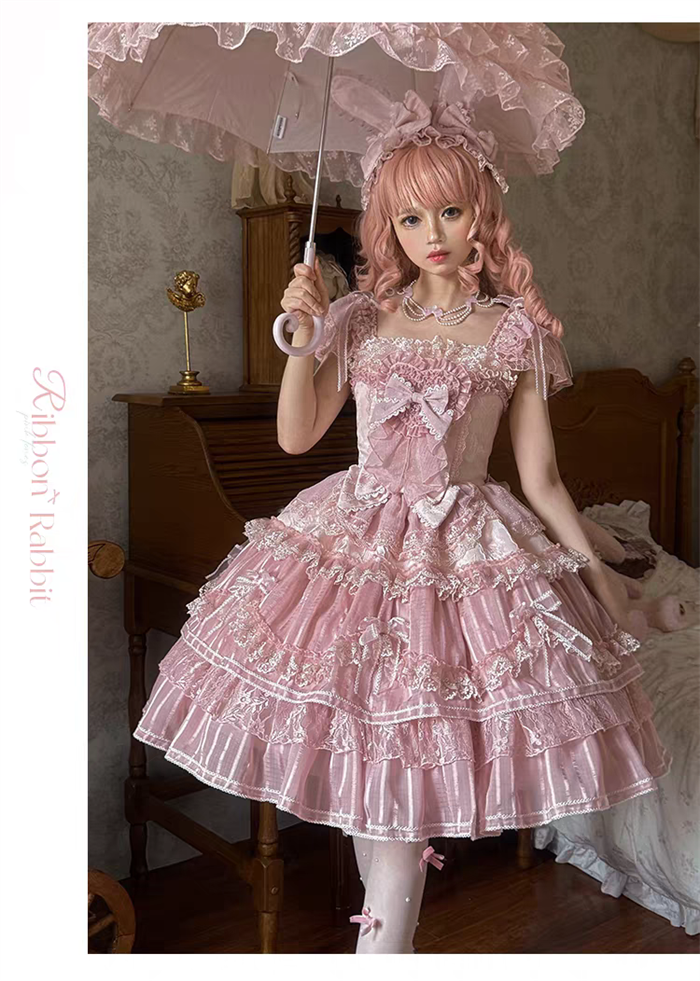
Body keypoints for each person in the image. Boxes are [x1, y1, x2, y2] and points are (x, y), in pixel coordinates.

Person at [133, 88, 671, 955]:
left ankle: (385, 948)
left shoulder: (512, 334)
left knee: (406, 788)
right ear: (390, 224)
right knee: (370, 775)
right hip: (356, 546)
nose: (432, 233)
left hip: (462, 556)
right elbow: (297, 433)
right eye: (411, 216)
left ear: (480, 212)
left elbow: (541, 480)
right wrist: (303, 334)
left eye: (449, 210)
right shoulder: (362, 317)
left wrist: (603, 580)